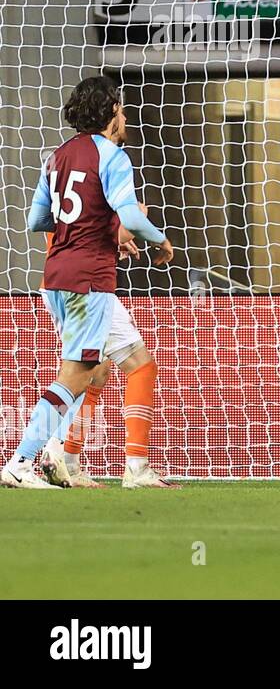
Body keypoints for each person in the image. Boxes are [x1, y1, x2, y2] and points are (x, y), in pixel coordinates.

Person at [3, 76, 174, 490]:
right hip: (88, 279)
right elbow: (132, 218)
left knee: (96, 369)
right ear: (111, 112)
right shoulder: (112, 156)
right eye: (120, 107)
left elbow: (36, 220)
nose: (124, 113)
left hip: (57, 274)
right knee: (78, 374)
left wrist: (87, 229)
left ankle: (70, 463)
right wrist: (160, 239)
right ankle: (21, 463)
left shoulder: (56, 156)